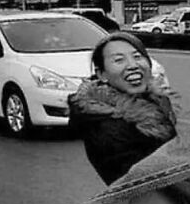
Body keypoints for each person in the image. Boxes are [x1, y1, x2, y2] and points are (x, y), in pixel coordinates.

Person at [68, 31, 177, 185]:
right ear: (102, 74)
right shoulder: (106, 127)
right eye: (119, 60)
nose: (132, 65)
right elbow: (147, 182)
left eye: (137, 56)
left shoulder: (156, 102)